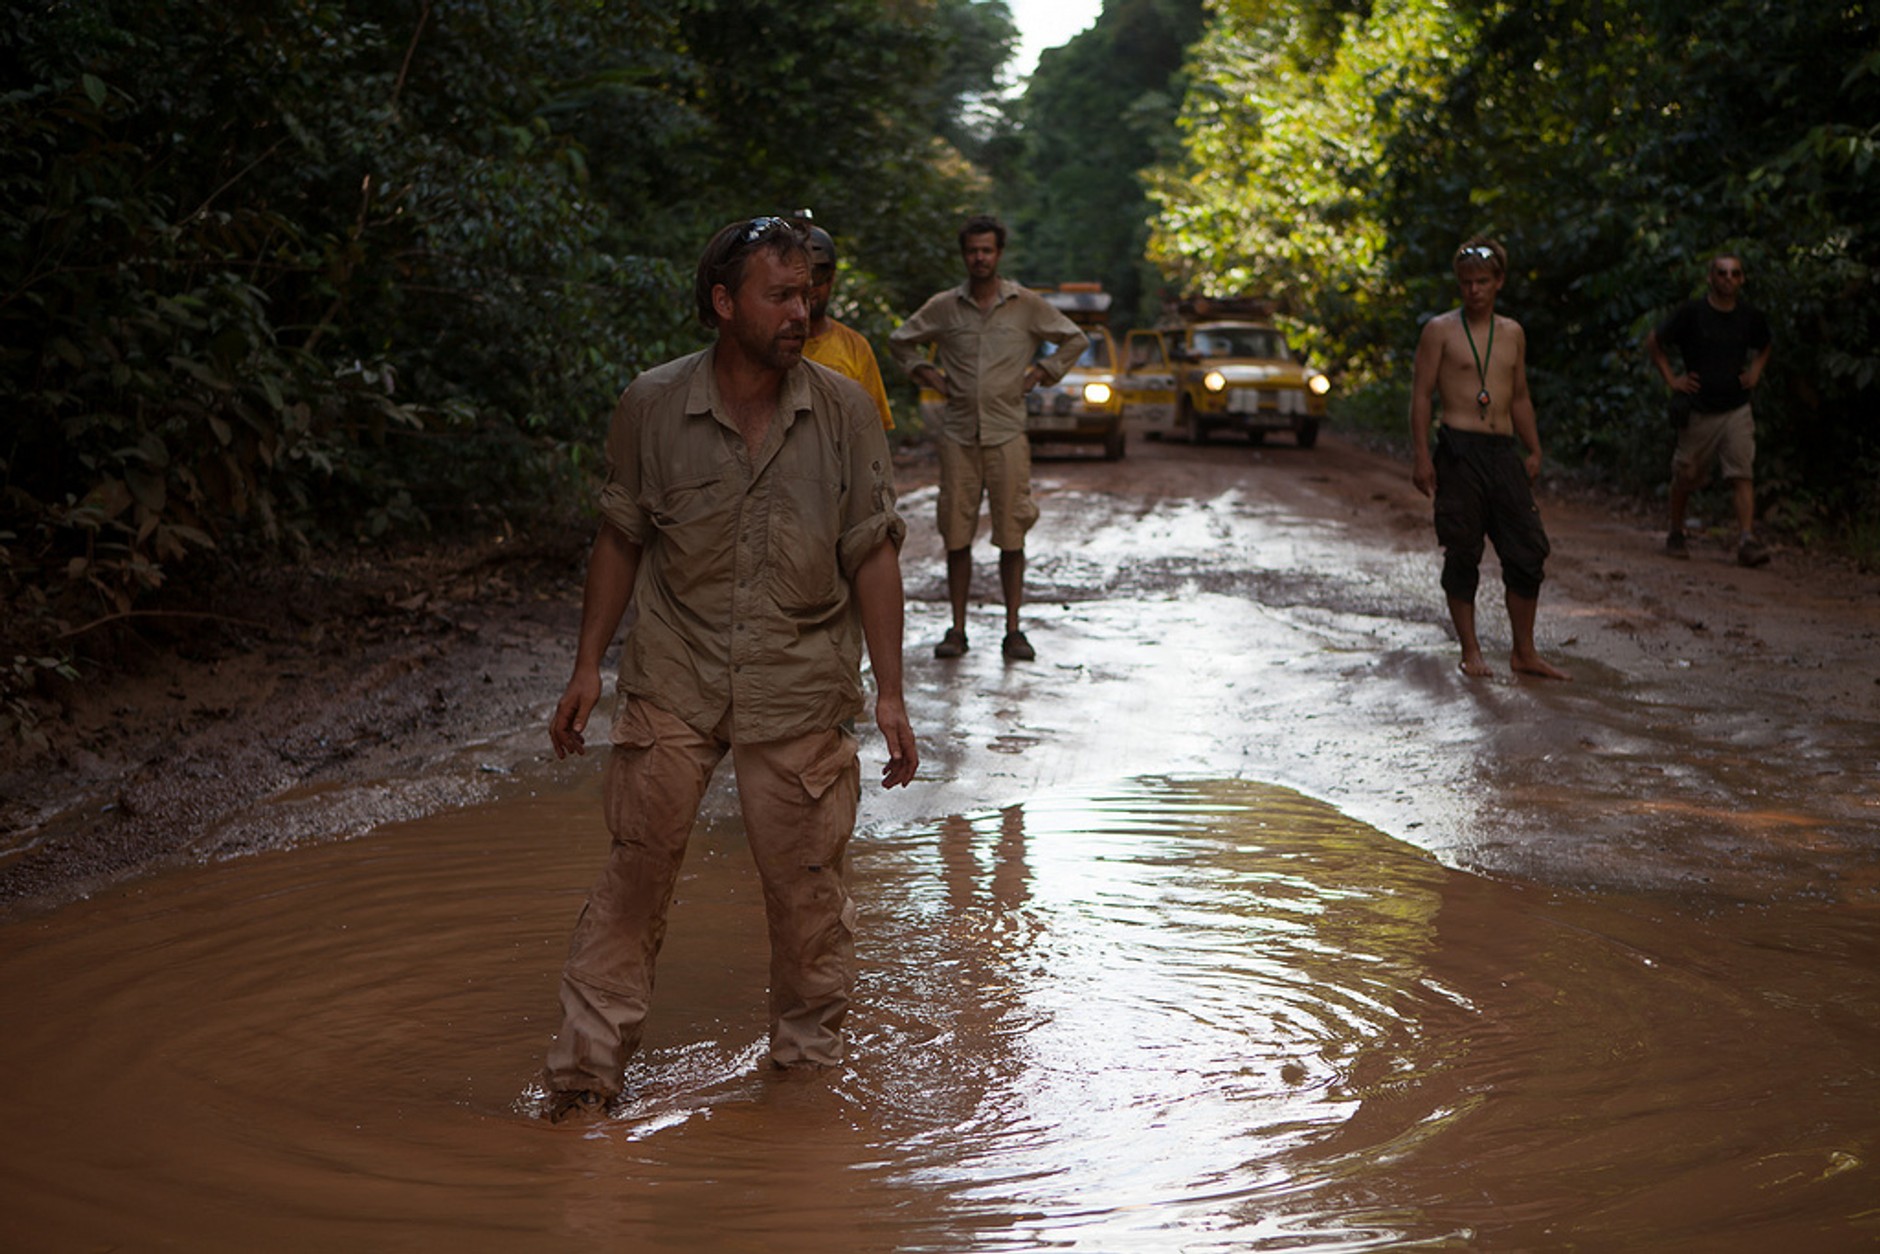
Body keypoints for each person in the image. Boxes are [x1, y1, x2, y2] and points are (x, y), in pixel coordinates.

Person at [536, 216, 919, 1123]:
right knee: (635, 877)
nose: (802, 310)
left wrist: (893, 694)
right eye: (779, 295)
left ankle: (803, 1080)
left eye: (806, 293)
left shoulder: (843, 409)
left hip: (798, 682)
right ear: (722, 303)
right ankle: (585, 1079)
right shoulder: (652, 404)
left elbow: (872, 550)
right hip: (674, 674)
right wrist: (588, 667)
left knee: (807, 895)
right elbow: (621, 536)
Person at [889, 214, 1086, 663]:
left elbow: (1072, 339)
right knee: (956, 535)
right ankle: (956, 629)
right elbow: (901, 341)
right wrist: (928, 375)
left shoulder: (1025, 305)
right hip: (959, 435)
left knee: (1012, 532)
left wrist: (1041, 372)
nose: (979, 257)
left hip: (1007, 435)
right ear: (964, 255)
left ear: (999, 254)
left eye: (987, 250)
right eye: (972, 250)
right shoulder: (944, 306)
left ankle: (1013, 629)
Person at [1409, 237, 1570, 681]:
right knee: (1462, 549)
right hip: (1458, 450)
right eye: (1466, 283)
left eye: (1482, 281)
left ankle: (1524, 652)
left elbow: (1519, 396)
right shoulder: (1439, 330)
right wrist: (1422, 456)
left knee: (1527, 550)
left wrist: (1533, 447)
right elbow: (1422, 395)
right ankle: (1471, 650)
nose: (1474, 290)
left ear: (1499, 282)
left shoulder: (1513, 332)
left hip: (1502, 451)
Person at [1645, 252, 1773, 567]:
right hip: (1700, 409)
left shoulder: (1749, 316)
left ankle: (1746, 539)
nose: (1728, 279)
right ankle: (1676, 531)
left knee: (1742, 473)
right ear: (1710, 278)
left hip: (1736, 408)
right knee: (1685, 474)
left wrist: (1756, 371)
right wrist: (1672, 379)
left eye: (1734, 274)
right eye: (1722, 273)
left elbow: (1765, 343)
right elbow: (1655, 341)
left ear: (1742, 279)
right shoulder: (1692, 313)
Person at [796, 216, 894, 430]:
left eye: (818, 275)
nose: (810, 287)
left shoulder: (854, 347)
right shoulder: (766, 344)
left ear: (831, 279)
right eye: (801, 276)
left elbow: (873, 428)